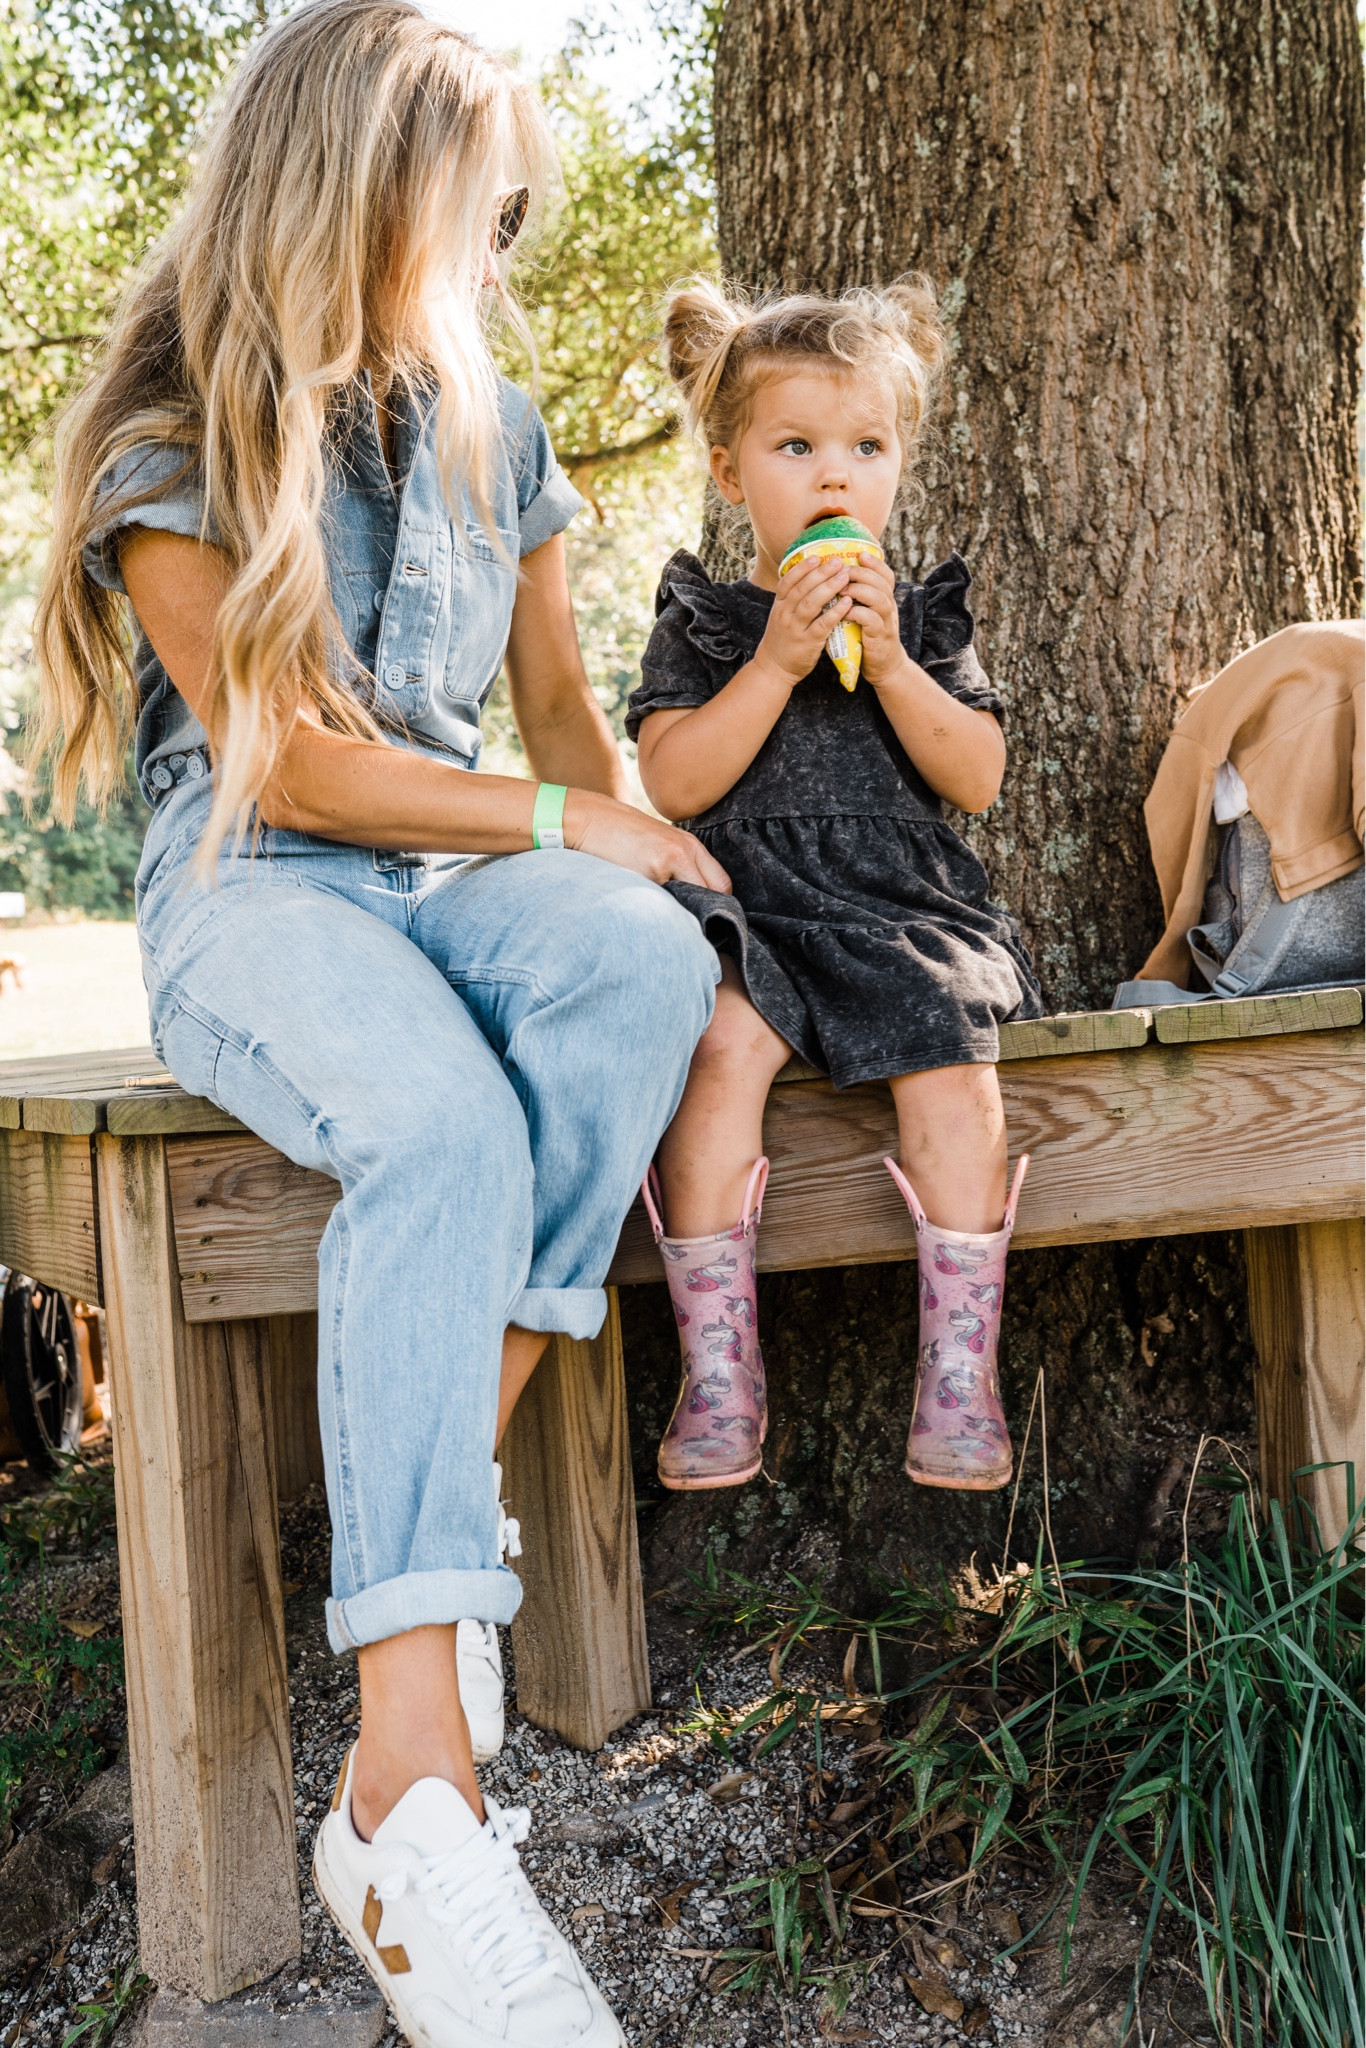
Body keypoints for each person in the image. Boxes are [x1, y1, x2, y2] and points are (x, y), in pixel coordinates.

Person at [34, 8, 727, 2044]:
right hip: (259, 879)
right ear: (363, 190)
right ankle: (409, 1789)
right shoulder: (170, 442)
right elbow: (298, 768)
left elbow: (567, 730)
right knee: (436, 1122)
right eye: (474, 203)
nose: (494, 244)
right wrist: (559, 815)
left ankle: (430, 1538)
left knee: (638, 964)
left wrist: (649, 857)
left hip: (464, 873)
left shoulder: (495, 429)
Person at [627, 279, 1043, 1498]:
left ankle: (960, 1373)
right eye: (796, 446)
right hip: (755, 914)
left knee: (957, 1069)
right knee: (713, 1048)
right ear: (727, 469)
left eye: (866, 447)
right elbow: (672, 781)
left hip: (906, 912)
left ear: (897, 466)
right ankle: (717, 1368)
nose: (833, 476)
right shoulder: (705, 623)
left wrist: (898, 664)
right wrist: (773, 661)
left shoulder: (924, 616)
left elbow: (973, 775)